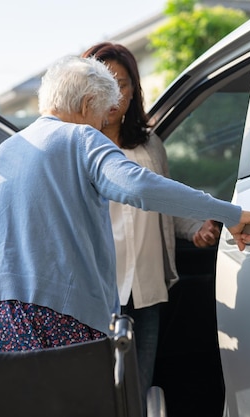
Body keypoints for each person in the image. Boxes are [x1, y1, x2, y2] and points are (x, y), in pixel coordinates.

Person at [0, 55, 250, 356]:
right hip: (53, 314)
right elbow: (140, 186)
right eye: (103, 116)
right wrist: (229, 214)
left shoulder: (9, 148)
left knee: (10, 403)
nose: (103, 125)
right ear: (87, 103)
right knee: (87, 403)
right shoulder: (81, 137)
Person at [81, 42, 221, 397]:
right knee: (98, 388)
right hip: (97, 290)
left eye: (122, 83)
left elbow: (163, 206)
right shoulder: (73, 145)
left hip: (147, 288)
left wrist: (196, 228)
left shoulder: (149, 145)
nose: (113, 93)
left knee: (139, 387)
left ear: (133, 91)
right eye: (103, 82)